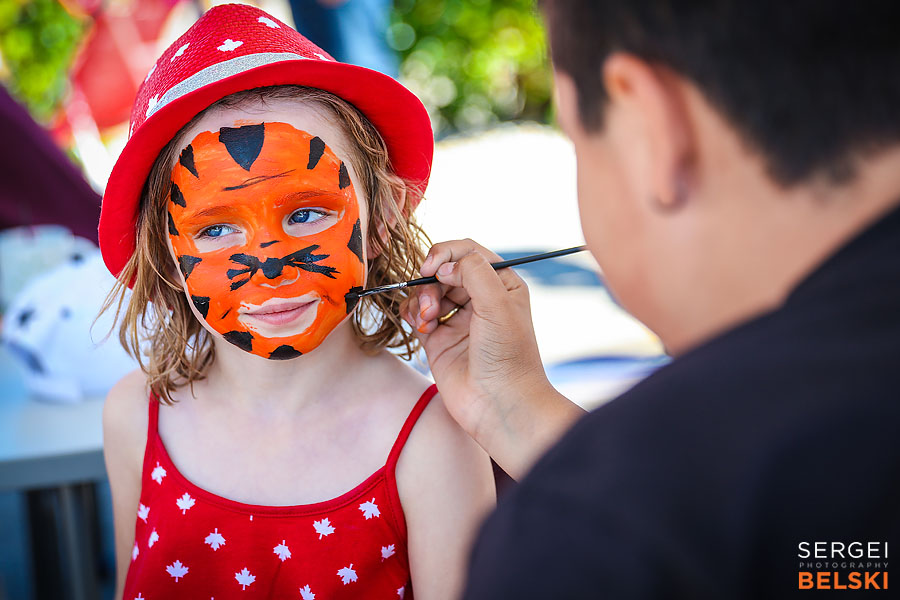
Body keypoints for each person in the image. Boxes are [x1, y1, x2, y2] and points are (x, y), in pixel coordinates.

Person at [403, 0, 900, 597]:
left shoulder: (595, 541)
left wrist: (593, 498)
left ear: (648, 125)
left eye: (576, 137)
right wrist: (519, 411)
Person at [98, 5, 494, 599]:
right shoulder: (136, 416)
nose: (271, 267)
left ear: (381, 216)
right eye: (215, 228)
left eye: (306, 213)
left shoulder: (433, 441)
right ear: (165, 251)